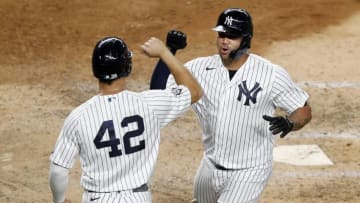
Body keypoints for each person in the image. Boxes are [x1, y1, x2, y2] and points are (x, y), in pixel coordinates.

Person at [150, 8, 312, 203]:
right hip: (209, 168)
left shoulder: (270, 74)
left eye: (232, 36)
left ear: (246, 39)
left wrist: (290, 123)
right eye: (222, 34)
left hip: (250, 170)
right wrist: (169, 51)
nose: (225, 40)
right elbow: (158, 92)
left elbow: (303, 109)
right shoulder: (198, 69)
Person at [48, 36, 202, 203]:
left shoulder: (78, 117)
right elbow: (194, 91)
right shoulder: (149, 105)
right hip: (138, 198)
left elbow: (58, 171)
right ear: (127, 67)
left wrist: (59, 200)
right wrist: (165, 52)